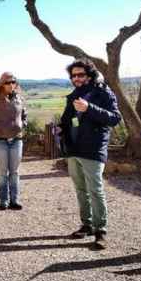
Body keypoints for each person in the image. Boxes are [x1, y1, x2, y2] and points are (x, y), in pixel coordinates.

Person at [58, 60, 121, 250]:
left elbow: (115, 118)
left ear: (89, 75)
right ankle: (87, 225)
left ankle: (100, 230)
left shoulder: (103, 92)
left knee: (95, 190)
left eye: (81, 75)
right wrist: (62, 130)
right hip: (74, 150)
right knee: (80, 190)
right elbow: (68, 120)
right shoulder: (73, 96)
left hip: (93, 150)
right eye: (74, 75)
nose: (77, 78)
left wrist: (89, 108)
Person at [0, 72, 28, 211]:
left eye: (13, 82)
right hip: (0, 141)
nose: (11, 85)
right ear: (2, 84)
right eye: (8, 82)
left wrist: (23, 124)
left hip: (17, 139)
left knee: (15, 172)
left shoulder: (19, 98)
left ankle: (14, 200)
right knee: (2, 172)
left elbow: (24, 115)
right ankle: (3, 200)